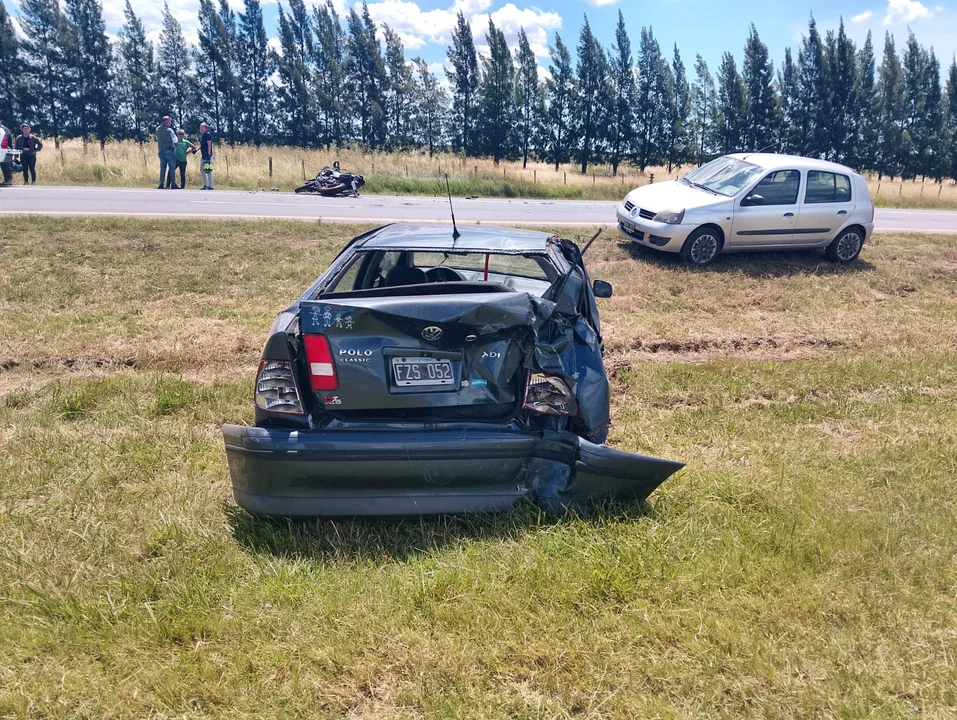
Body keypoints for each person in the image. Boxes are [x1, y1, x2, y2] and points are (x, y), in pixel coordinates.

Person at [155, 115, 178, 189]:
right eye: (169, 121)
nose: (170, 122)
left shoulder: (157, 130)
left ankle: (161, 184)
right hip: (169, 151)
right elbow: (175, 140)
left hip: (161, 151)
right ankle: (173, 184)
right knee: (172, 168)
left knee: (162, 169)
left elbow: (157, 138)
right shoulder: (169, 130)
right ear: (166, 122)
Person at [198, 122, 214, 190]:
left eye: (201, 128)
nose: (200, 129)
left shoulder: (208, 135)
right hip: (203, 155)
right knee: (202, 170)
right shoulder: (202, 136)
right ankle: (206, 184)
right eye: (200, 128)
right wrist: (197, 149)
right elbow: (202, 145)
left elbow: (209, 145)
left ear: (205, 128)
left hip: (207, 155)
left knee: (208, 170)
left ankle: (210, 185)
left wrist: (209, 154)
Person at [0, 121, 13, 187]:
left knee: (6, 166)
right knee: (4, 165)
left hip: (6, 150)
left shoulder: (3, 130)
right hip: (4, 149)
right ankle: (7, 180)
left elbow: (4, 140)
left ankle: (8, 180)